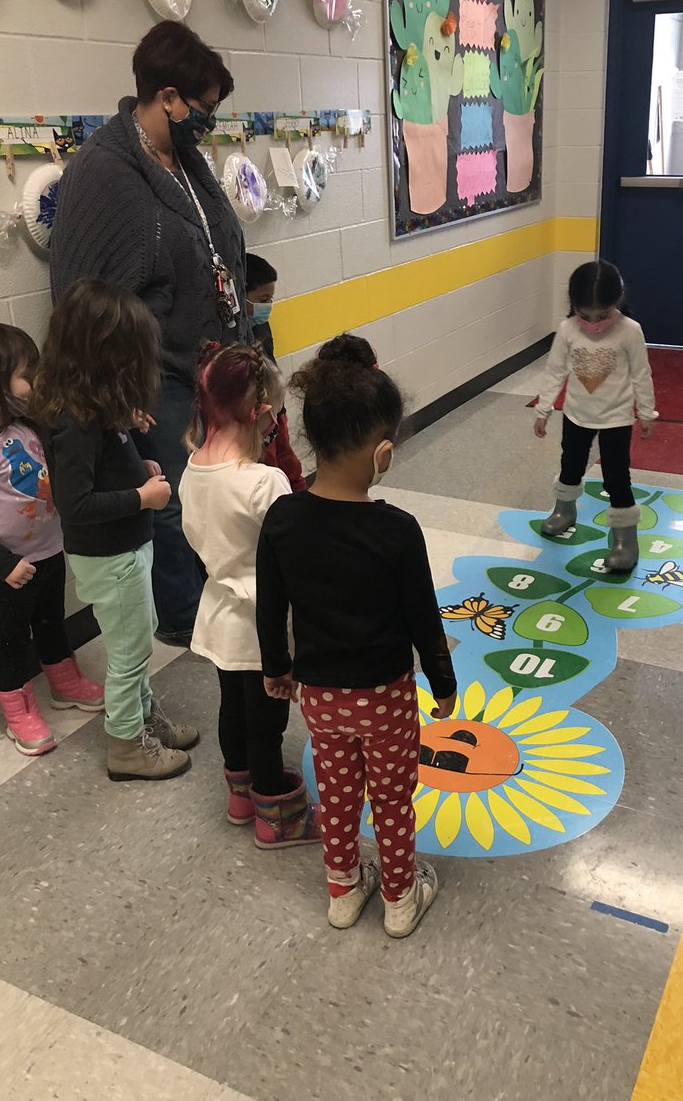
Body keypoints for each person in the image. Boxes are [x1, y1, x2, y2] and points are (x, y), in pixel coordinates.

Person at [49, 21, 249, 647]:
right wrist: (116, 391)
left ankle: (211, 595)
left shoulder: (183, 160)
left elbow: (217, 248)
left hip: (207, 360)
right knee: (166, 493)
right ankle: (182, 617)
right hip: (150, 372)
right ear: (167, 97)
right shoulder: (105, 171)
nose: (209, 121)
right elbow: (83, 295)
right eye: (205, 107)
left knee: (212, 485)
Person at [256, 335, 457, 938]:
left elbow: (272, 605)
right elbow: (424, 617)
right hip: (386, 698)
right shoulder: (397, 530)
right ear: (383, 452)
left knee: (339, 796)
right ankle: (400, 899)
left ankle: (343, 892)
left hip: (318, 695)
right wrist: (442, 682)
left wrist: (277, 666)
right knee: (393, 799)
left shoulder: (284, 517)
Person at [31, 279, 199, 781]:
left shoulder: (96, 408)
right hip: (112, 555)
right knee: (129, 654)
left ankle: (142, 719)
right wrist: (142, 497)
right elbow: (76, 503)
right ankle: (126, 744)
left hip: (125, 548)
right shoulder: (76, 422)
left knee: (137, 642)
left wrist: (138, 464)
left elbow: (108, 464)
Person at [179, 342, 319, 849]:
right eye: (276, 417)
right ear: (260, 414)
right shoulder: (266, 482)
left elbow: (200, 542)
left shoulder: (192, 469)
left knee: (233, 709)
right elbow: (293, 563)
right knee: (267, 723)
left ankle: (240, 798)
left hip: (217, 613)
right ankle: (275, 817)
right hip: (263, 625)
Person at [0, 321, 103, 756]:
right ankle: (18, 712)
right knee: (12, 640)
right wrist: (2, 565)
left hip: (49, 551)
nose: (35, 382)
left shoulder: (28, 426)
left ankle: (65, 681)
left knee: (53, 621)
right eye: (25, 373)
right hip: (7, 569)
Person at [534, 260, 657, 571]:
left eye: (602, 316)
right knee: (570, 463)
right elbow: (554, 372)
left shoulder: (630, 331)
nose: (593, 323)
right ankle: (565, 510)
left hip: (616, 419)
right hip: (576, 415)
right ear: (573, 306)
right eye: (584, 315)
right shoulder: (567, 329)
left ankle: (624, 540)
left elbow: (642, 374)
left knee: (617, 477)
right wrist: (543, 409)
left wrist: (646, 413)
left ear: (617, 302)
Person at [246, 254, 306, 492]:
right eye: (262, 299)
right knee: (269, 467)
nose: (268, 305)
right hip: (256, 417)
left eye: (270, 298)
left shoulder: (260, 324)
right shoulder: (231, 336)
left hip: (275, 410)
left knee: (287, 461)